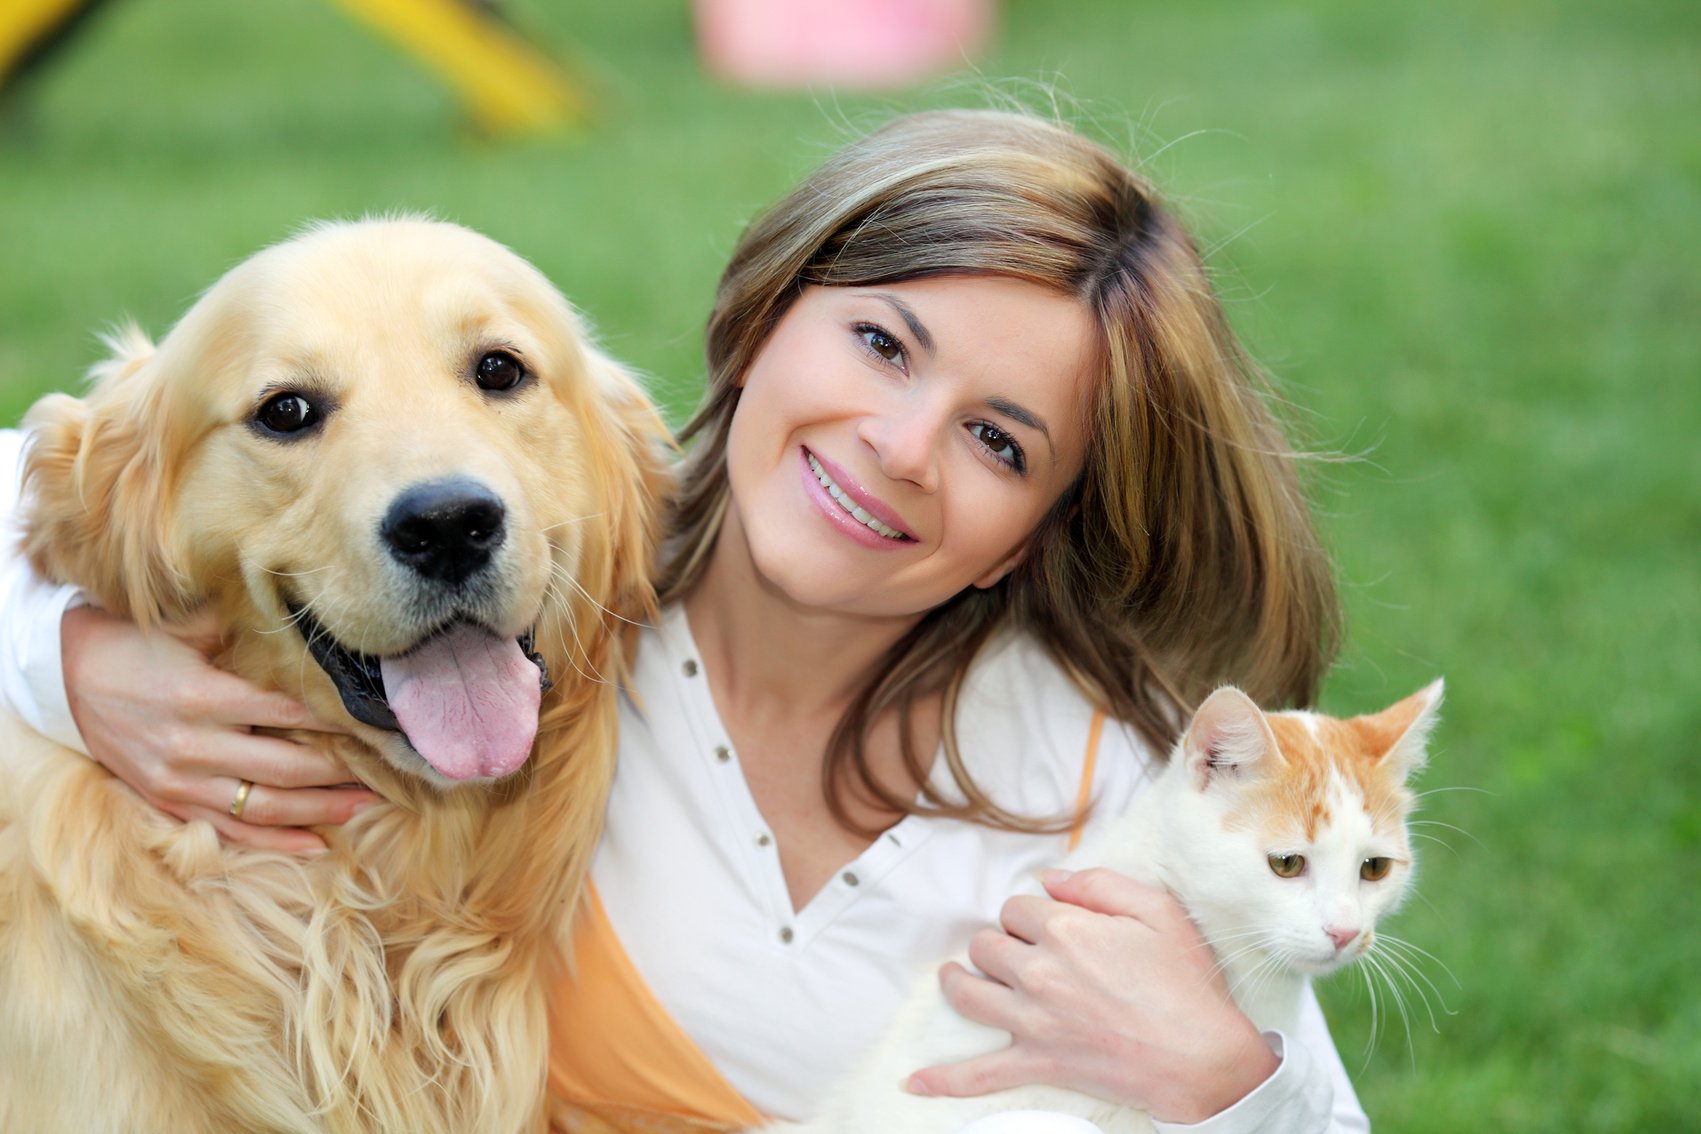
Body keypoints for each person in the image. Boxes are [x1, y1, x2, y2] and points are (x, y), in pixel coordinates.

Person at [0, 108, 1367, 1132]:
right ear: (765, 310)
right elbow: (62, 468)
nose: (898, 446)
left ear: (1046, 521)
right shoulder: (597, 596)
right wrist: (60, 652)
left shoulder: (1098, 790)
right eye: (883, 345)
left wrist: (1226, 1085)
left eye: (998, 442)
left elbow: (1306, 1100)